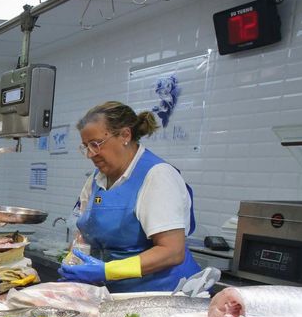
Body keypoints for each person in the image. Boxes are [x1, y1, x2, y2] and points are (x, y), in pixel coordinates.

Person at [58, 101, 201, 292]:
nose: (91, 154)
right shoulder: (96, 180)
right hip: (115, 294)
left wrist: (107, 271)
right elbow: (84, 233)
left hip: (162, 296)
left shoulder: (158, 175)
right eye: (86, 146)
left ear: (125, 135)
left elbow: (172, 252)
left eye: (96, 144)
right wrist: (75, 262)